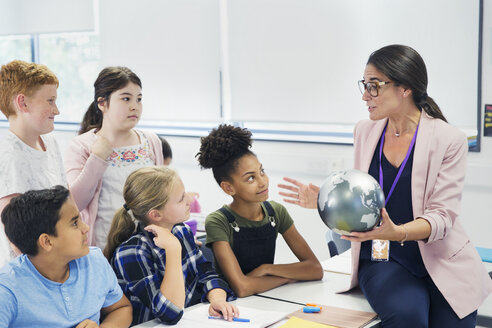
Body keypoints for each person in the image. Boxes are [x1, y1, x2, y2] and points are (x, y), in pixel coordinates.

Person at [278, 44, 492, 327]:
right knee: (408, 316)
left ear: (406, 89)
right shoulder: (365, 130)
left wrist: (398, 231)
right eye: (364, 86)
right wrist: (325, 198)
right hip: (383, 256)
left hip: (441, 258)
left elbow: (443, 218)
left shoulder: (448, 139)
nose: (366, 96)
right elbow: (362, 192)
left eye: (375, 86)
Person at [196, 124, 323, 298]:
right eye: (250, 178)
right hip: (230, 307)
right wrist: (286, 278)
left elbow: (315, 269)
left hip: (266, 298)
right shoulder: (218, 221)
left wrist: (268, 269)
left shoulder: (275, 212)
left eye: (262, 171)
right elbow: (242, 288)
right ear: (228, 188)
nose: (262, 182)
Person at [105, 166, 237, 326]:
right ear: (156, 215)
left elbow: (206, 274)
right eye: (181, 198)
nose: (190, 199)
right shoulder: (132, 252)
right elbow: (170, 313)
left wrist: (217, 299)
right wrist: (173, 249)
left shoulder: (182, 231)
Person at [0, 186, 132, 327]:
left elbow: (121, 308)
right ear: (47, 241)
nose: (86, 228)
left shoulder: (95, 261)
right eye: (75, 223)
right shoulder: (7, 289)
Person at [64, 66, 164, 249]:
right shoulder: (81, 146)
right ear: (102, 103)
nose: (135, 106)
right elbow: (75, 203)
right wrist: (98, 157)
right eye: (126, 98)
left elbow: (164, 196)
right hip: (103, 247)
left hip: (149, 247)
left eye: (139, 99)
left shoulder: (151, 141)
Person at [0, 60, 67, 267]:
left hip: (57, 252)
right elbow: (15, 233)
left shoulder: (49, 142)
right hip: (30, 266)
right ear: (23, 103)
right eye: (50, 101)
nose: (56, 110)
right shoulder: (8, 152)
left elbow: (66, 198)